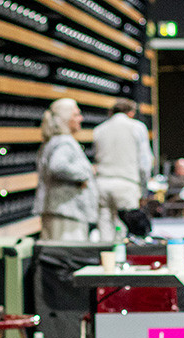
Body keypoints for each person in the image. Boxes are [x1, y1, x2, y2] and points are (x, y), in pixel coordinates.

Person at [34, 98, 98, 241]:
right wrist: (85, 174)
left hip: (61, 210)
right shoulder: (64, 142)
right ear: (66, 119)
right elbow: (57, 166)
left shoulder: (54, 140)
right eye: (76, 115)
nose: (80, 118)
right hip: (66, 212)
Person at [91, 97, 152, 240]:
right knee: (125, 231)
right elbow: (145, 162)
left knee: (105, 229)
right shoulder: (137, 127)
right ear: (131, 112)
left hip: (102, 184)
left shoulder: (99, 130)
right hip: (126, 184)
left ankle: (106, 260)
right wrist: (144, 190)